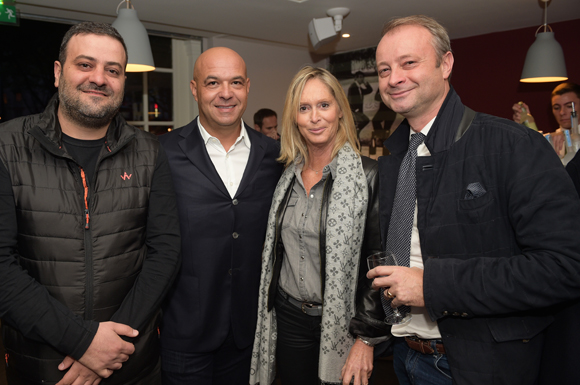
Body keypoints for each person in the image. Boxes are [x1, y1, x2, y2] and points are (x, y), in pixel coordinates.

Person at [368, 15, 580, 385]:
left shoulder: (513, 146)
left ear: (446, 64)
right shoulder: (394, 158)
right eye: (384, 69)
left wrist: (432, 286)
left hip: (480, 366)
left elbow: (565, 267)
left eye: (409, 63)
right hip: (404, 355)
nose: (394, 78)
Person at [0, 22, 181, 385]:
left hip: (132, 361)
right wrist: (82, 342)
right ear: (57, 72)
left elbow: (165, 251)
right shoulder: (8, 146)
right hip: (45, 364)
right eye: (85, 65)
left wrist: (110, 346)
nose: (99, 78)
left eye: (113, 70)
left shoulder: (149, 151)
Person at [250, 66, 389, 385]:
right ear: (294, 117)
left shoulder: (368, 176)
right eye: (304, 108)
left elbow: (378, 260)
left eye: (324, 105)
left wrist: (366, 338)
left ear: (339, 110)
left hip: (344, 322)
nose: (315, 117)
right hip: (289, 317)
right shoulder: (283, 176)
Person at [159, 47, 283, 385]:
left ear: (247, 87)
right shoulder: (163, 153)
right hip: (185, 333)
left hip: (248, 334)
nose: (226, 93)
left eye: (236, 82)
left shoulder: (275, 155)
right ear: (195, 88)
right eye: (213, 82)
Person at [512, 82, 580, 164]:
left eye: (569, 106)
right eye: (556, 107)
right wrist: (524, 127)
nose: (562, 112)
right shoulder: (548, 139)